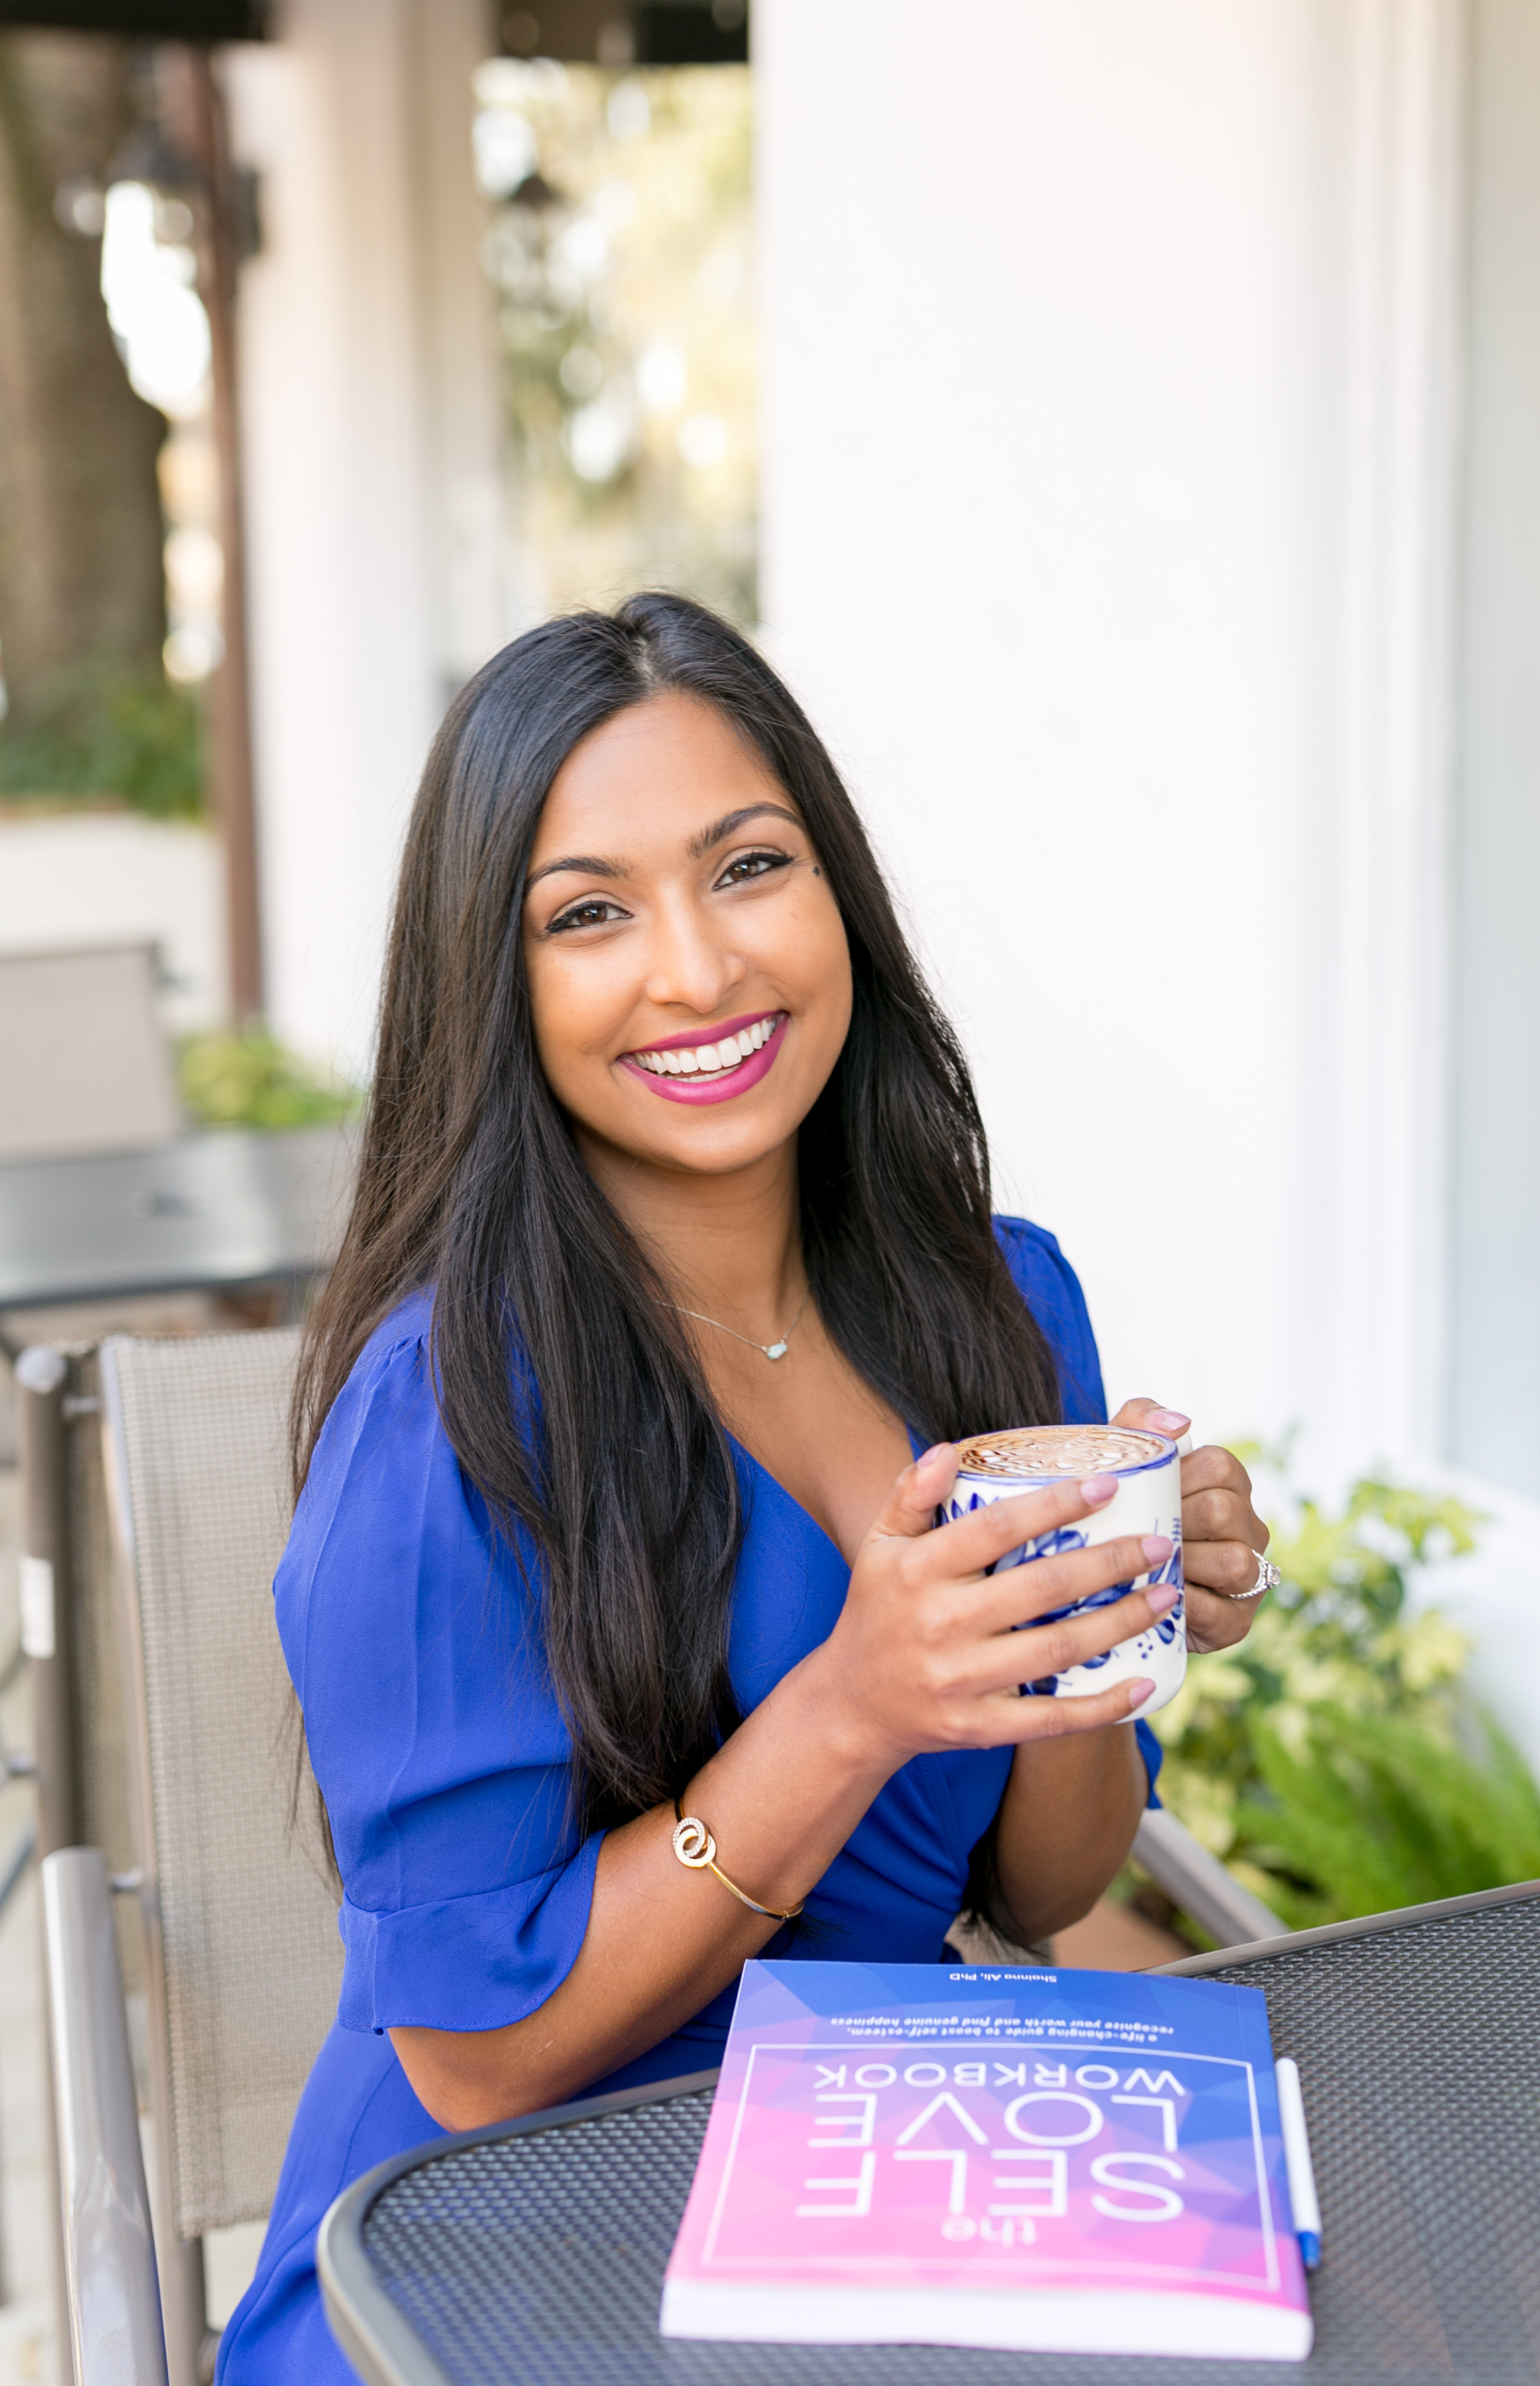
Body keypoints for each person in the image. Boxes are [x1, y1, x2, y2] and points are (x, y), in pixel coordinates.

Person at [218, 595, 1270, 2379]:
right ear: (496, 981)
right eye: (590, 913)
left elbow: (1047, 1886)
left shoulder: (1002, 1303)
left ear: (836, 892)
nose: (698, 971)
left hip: (879, 2188)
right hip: (502, 2265)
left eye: (749, 868)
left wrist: (1095, 1624)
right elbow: (476, 2064)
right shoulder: (446, 1415)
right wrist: (854, 1708)